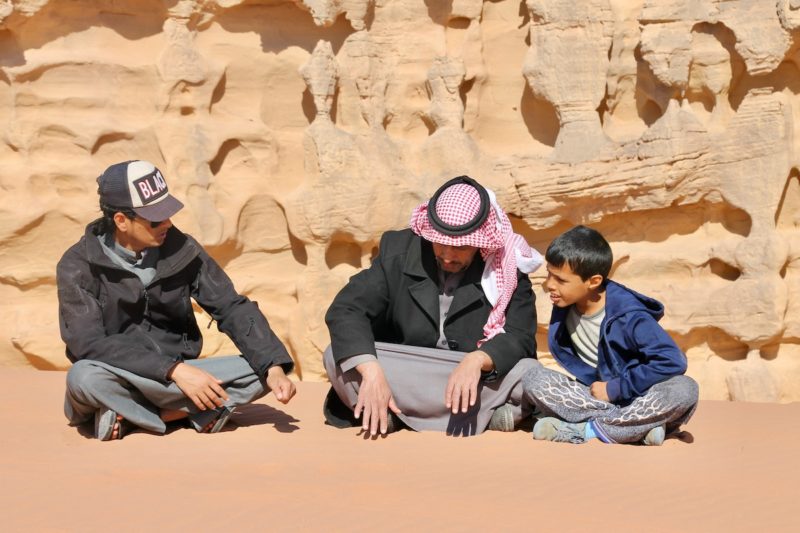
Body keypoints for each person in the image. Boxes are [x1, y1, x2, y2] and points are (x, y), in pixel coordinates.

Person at [58, 160, 296, 440]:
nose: (168, 223)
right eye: (155, 218)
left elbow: (231, 306)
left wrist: (274, 367)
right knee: (84, 378)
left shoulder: (182, 249)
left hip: (182, 374)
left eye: (168, 212)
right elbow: (89, 343)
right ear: (121, 221)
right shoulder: (77, 265)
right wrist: (173, 371)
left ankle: (136, 415)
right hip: (121, 374)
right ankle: (183, 411)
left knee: (259, 371)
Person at [323, 176, 542, 436]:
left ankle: (396, 417)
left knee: (528, 371)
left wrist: (479, 360)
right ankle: (483, 417)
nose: (448, 255)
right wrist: (371, 372)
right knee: (338, 354)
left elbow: (521, 335)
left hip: (472, 376)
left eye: (460, 247)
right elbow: (347, 309)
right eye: (441, 242)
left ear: (482, 242)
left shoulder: (506, 264)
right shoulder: (399, 252)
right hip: (411, 368)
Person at [522, 225, 698, 445]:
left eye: (561, 280)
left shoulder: (629, 315)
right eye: (549, 274)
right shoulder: (566, 304)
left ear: (593, 281)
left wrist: (616, 388)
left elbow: (672, 361)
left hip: (640, 395)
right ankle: (637, 428)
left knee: (685, 389)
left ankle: (585, 431)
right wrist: (604, 393)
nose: (549, 285)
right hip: (595, 397)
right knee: (534, 379)